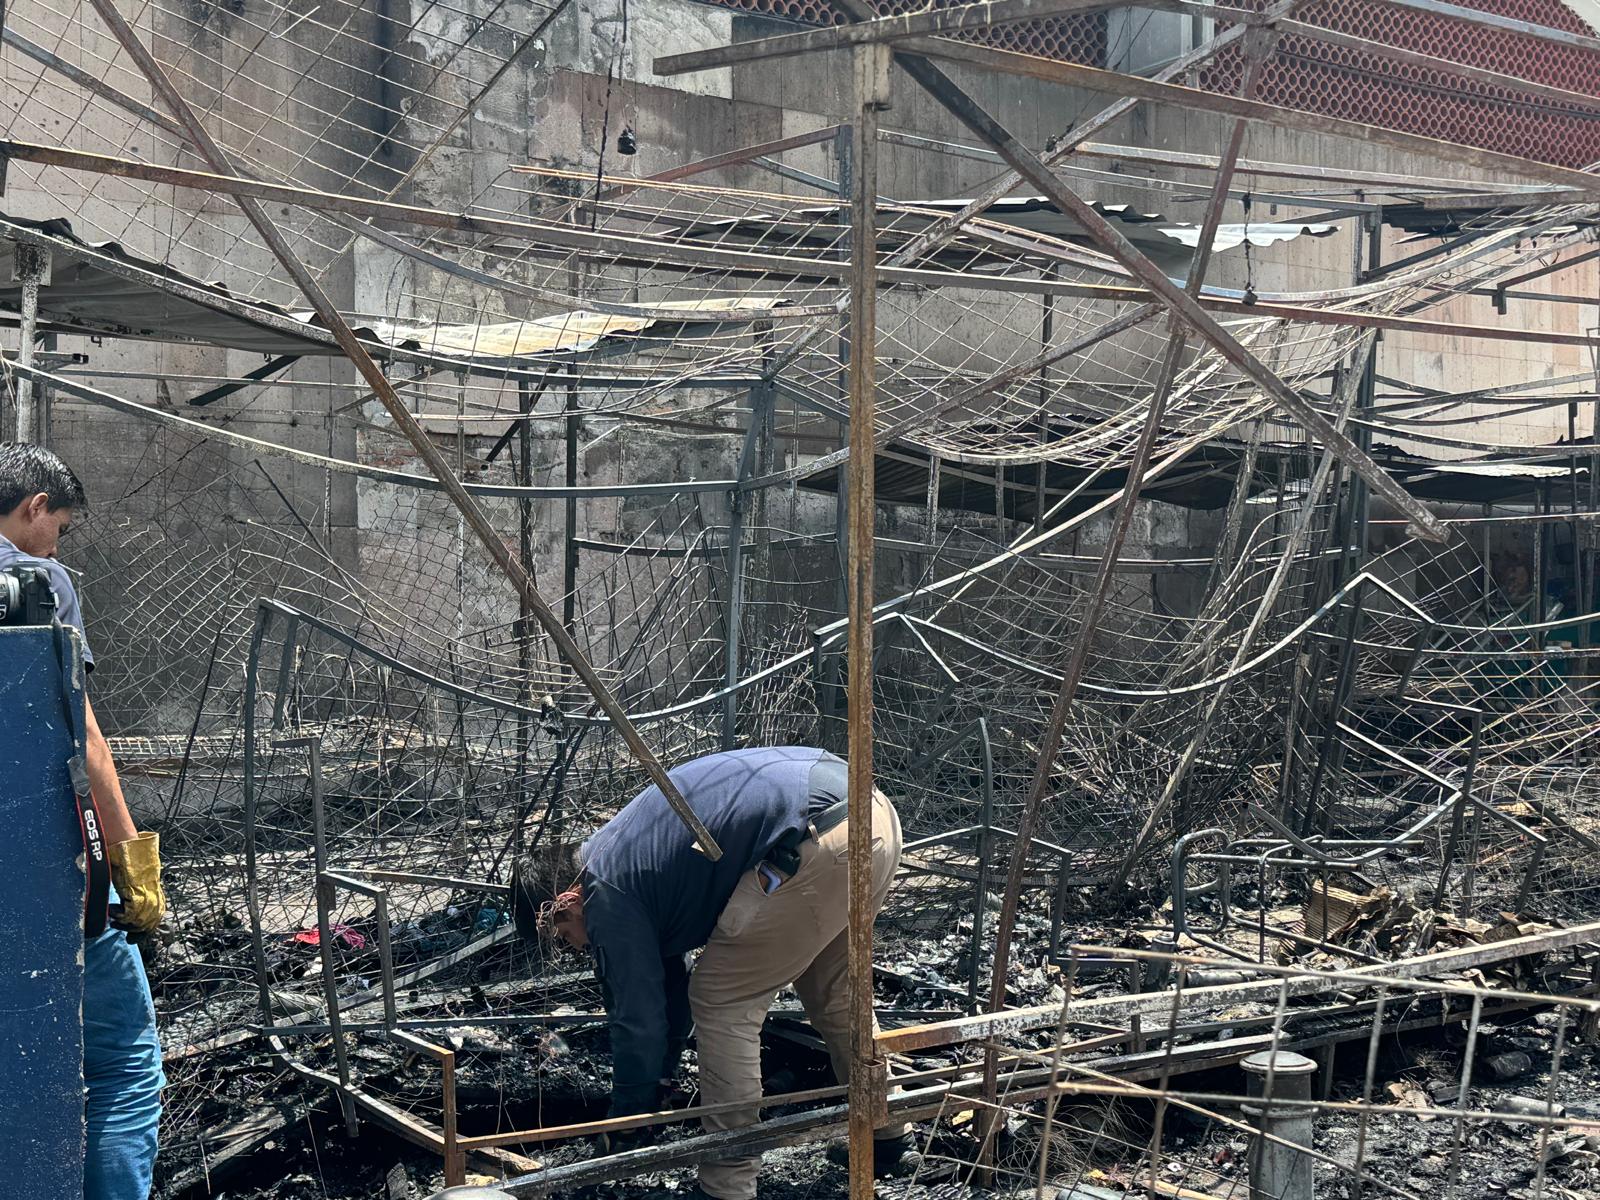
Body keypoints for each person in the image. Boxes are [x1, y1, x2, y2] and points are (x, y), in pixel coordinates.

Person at [511, 746, 918, 1200]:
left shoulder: (605, 890)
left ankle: (728, 1186)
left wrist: (629, 1114)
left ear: (564, 904)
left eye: (565, 938)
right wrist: (660, 1081)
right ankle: (888, 1136)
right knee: (836, 997)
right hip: (870, 815)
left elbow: (637, 1018)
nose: (577, 948)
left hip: (815, 842)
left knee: (723, 1002)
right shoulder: (618, 854)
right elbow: (666, 986)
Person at [0, 443, 166, 1200]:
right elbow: (86, 741)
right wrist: (133, 866)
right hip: (44, 876)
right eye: (58, 527)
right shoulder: (36, 584)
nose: (57, 545)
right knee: (123, 1063)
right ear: (34, 507)